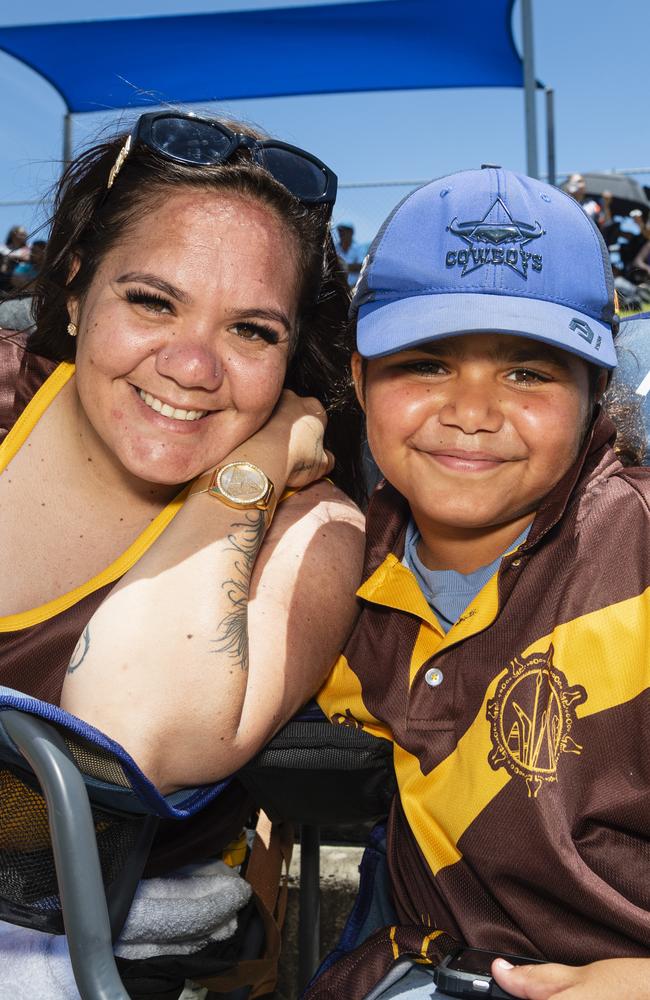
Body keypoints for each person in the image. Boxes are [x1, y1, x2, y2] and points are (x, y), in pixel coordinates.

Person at [307, 166, 650, 999]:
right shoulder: (336, 558)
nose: (472, 410)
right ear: (357, 377)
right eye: (426, 363)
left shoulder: (636, 556)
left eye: (529, 372)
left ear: (595, 393)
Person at [0, 110, 365, 797]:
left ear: (291, 355)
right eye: (152, 303)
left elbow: (129, 739)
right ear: (76, 292)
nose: (193, 367)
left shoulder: (313, 531)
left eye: (251, 331)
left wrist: (253, 471)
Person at [333, 220, 364, 286]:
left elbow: (362, 266)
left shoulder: (358, 248)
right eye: (340, 231)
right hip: (337, 287)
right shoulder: (335, 248)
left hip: (354, 287)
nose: (341, 233)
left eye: (344, 231)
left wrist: (343, 267)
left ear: (351, 232)